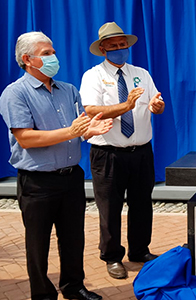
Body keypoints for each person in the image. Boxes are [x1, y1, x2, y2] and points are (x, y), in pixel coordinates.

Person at [0, 31, 113, 300]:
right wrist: (72, 132)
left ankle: (74, 286)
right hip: (37, 182)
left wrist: (90, 130)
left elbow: (77, 129)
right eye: (47, 53)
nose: (54, 57)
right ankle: (42, 294)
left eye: (53, 51)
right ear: (28, 59)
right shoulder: (15, 93)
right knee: (37, 243)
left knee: (73, 238)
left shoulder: (68, 90)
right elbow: (25, 138)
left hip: (72, 177)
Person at [79, 22, 165, 280]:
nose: (119, 49)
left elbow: (153, 102)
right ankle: (112, 256)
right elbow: (92, 110)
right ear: (102, 49)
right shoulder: (92, 76)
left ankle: (140, 250)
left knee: (142, 203)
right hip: (108, 154)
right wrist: (125, 106)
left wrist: (156, 106)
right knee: (109, 207)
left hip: (140, 151)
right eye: (113, 46)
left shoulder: (141, 73)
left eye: (123, 45)